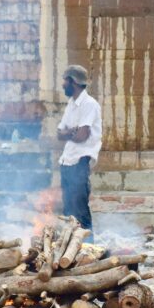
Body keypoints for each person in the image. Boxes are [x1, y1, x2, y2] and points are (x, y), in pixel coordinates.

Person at [56, 64, 102, 234]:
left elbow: (82, 135)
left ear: (72, 81)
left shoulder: (89, 104)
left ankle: (88, 249)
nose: (62, 85)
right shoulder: (71, 104)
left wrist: (70, 132)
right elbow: (59, 134)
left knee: (80, 211)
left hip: (80, 161)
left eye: (64, 81)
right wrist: (71, 132)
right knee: (69, 212)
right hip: (66, 161)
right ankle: (70, 252)